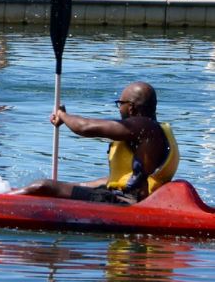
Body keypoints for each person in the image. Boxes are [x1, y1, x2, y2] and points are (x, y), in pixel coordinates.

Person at [14, 82, 179, 204]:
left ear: (131, 108)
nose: (118, 108)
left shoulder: (145, 127)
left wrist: (63, 116)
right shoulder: (154, 132)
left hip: (128, 205)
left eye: (120, 104)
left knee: (41, 187)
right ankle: (2, 195)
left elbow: (85, 127)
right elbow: (117, 180)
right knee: (48, 187)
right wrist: (67, 187)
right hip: (125, 198)